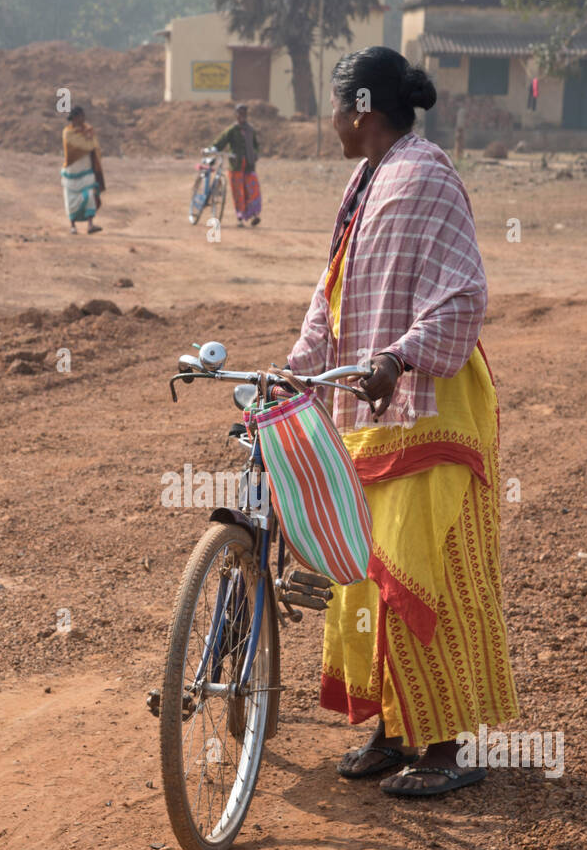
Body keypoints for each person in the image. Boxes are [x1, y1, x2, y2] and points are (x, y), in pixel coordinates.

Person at [287, 46, 519, 798]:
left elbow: (462, 295)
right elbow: (332, 295)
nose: (329, 121)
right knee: (364, 578)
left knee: (424, 575)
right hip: (370, 413)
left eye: (333, 105)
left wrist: (398, 356)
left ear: (360, 107)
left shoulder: (427, 174)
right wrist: (297, 367)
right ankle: (393, 729)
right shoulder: (364, 180)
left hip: (429, 409)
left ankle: (449, 750)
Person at [214, 102, 261, 226]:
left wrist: (255, 153)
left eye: (244, 113)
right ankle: (240, 218)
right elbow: (221, 142)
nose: (242, 116)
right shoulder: (232, 130)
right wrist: (213, 148)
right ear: (236, 115)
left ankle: (254, 215)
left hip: (249, 165)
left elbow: (256, 145)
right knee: (238, 192)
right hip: (236, 166)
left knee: (252, 190)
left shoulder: (251, 130)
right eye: (240, 113)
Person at [61, 106, 105, 235]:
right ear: (75, 118)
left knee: (90, 194)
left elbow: (94, 146)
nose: (83, 119)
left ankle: (90, 225)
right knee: (71, 199)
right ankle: (72, 226)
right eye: (81, 116)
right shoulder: (67, 133)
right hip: (72, 171)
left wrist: (89, 137)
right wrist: (87, 138)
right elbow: (82, 146)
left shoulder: (87, 131)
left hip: (86, 169)